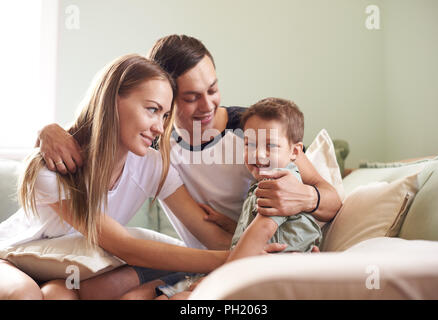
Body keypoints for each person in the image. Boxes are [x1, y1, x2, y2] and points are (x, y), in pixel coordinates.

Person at [36, 35, 342, 299]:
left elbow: (331, 201)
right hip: (211, 255)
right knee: (103, 292)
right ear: (165, 98)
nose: (208, 105)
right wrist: (47, 132)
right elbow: (102, 129)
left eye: (212, 89)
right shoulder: (153, 144)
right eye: (192, 97)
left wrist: (305, 198)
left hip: (262, 249)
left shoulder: (254, 132)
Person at [0, 54, 253, 300]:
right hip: (11, 259)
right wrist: (232, 259)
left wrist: (257, 252)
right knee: (26, 294)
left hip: (69, 267)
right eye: (152, 110)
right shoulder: (54, 168)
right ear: (112, 100)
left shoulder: (151, 165)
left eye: (165, 115)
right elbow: (125, 247)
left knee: (59, 294)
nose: (159, 127)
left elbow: (206, 230)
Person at [152, 97, 323, 300]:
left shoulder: (279, 183)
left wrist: (218, 278)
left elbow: (261, 231)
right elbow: (254, 228)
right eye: (250, 144)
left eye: (270, 146)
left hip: (271, 273)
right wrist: (227, 223)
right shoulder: (260, 181)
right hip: (254, 267)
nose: (258, 154)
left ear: (295, 151)